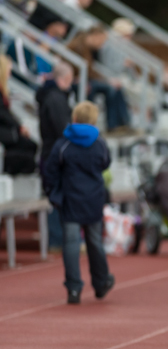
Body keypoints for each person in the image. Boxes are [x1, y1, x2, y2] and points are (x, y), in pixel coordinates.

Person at [42, 102, 115, 305]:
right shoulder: (99, 143)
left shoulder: (63, 143)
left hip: (70, 199)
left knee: (71, 244)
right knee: (95, 242)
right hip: (93, 199)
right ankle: (101, 282)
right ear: (93, 120)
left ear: (74, 118)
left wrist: (54, 194)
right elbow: (106, 163)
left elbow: (50, 171)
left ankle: (74, 288)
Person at [37, 62, 74, 251]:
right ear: (62, 79)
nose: (71, 84)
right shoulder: (56, 99)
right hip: (54, 154)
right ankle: (57, 240)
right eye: (69, 80)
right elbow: (62, 129)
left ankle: (58, 239)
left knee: (56, 195)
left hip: (51, 151)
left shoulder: (52, 97)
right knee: (56, 196)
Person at [69, 26, 131, 131]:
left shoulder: (90, 49)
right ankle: (112, 124)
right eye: (102, 40)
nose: (102, 44)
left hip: (86, 80)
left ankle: (120, 124)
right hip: (78, 81)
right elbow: (70, 65)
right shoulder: (78, 46)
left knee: (115, 88)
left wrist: (108, 81)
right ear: (95, 36)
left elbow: (91, 71)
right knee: (108, 88)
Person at [0, 55, 38, 175]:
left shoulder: (3, 90)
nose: (9, 74)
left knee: (31, 146)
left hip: (7, 130)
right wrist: (19, 127)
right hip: (4, 132)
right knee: (29, 149)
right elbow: (3, 113)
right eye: (9, 71)